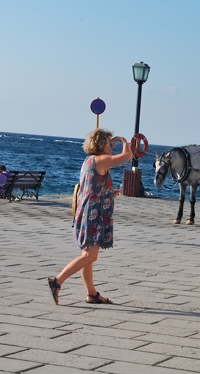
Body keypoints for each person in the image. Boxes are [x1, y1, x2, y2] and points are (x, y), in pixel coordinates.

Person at [47, 128, 131, 305]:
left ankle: (91, 294)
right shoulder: (101, 160)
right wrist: (125, 142)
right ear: (101, 144)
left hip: (87, 211)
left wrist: (108, 192)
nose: (111, 147)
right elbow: (126, 157)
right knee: (90, 256)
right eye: (109, 143)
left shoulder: (89, 161)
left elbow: (91, 186)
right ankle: (57, 281)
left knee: (87, 254)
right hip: (94, 214)